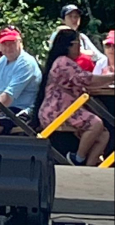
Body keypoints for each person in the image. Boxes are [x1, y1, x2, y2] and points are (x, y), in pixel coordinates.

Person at [34, 29, 114, 166]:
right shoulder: (63, 62)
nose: (80, 49)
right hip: (57, 112)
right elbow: (85, 79)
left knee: (103, 135)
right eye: (79, 44)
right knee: (96, 123)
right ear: (69, 45)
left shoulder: (68, 62)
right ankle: (78, 158)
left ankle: (88, 170)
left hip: (69, 111)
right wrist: (111, 78)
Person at [49, 4, 108, 74]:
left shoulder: (82, 37)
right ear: (63, 21)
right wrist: (84, 52)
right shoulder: (57, 35)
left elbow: (100, 57)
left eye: (76, 16)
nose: (74, 19)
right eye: (70, 16)